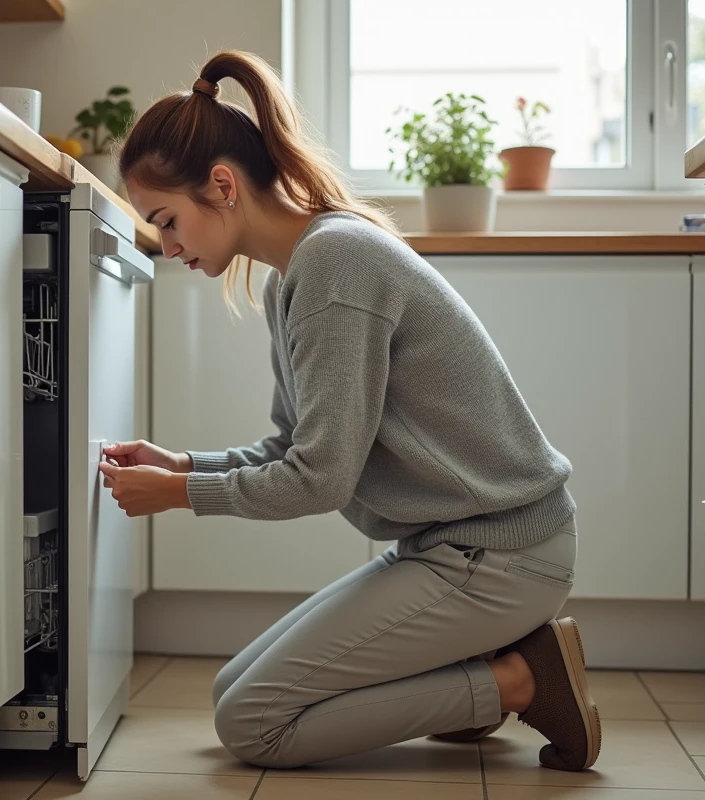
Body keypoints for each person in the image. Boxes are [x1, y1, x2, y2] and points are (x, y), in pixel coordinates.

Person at [97, 50, 601, 773]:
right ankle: (475, 664)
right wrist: (183, 464)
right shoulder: (291, 280)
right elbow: (292, 448)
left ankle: (517, 680)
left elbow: (321, 479)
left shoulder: (335, 263)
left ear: (222, 185)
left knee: (252, 723)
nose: (167, 246)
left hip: (501, 555)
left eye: (167, 221)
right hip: (447, 548)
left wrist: (180, 493)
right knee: (229, 690)